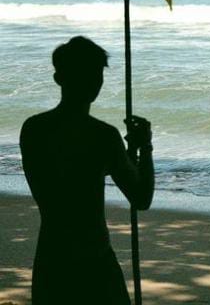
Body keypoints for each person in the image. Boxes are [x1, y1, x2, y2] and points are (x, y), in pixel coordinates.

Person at [20, 36, 154, 305]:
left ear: (59, 78)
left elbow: (73, 174)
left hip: (51, 259)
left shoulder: (33, 130)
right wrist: (145, 148)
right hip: (94, 261)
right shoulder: (103, 137)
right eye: (94, 74)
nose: (96, 81)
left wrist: (125, 155)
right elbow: (141, 197)